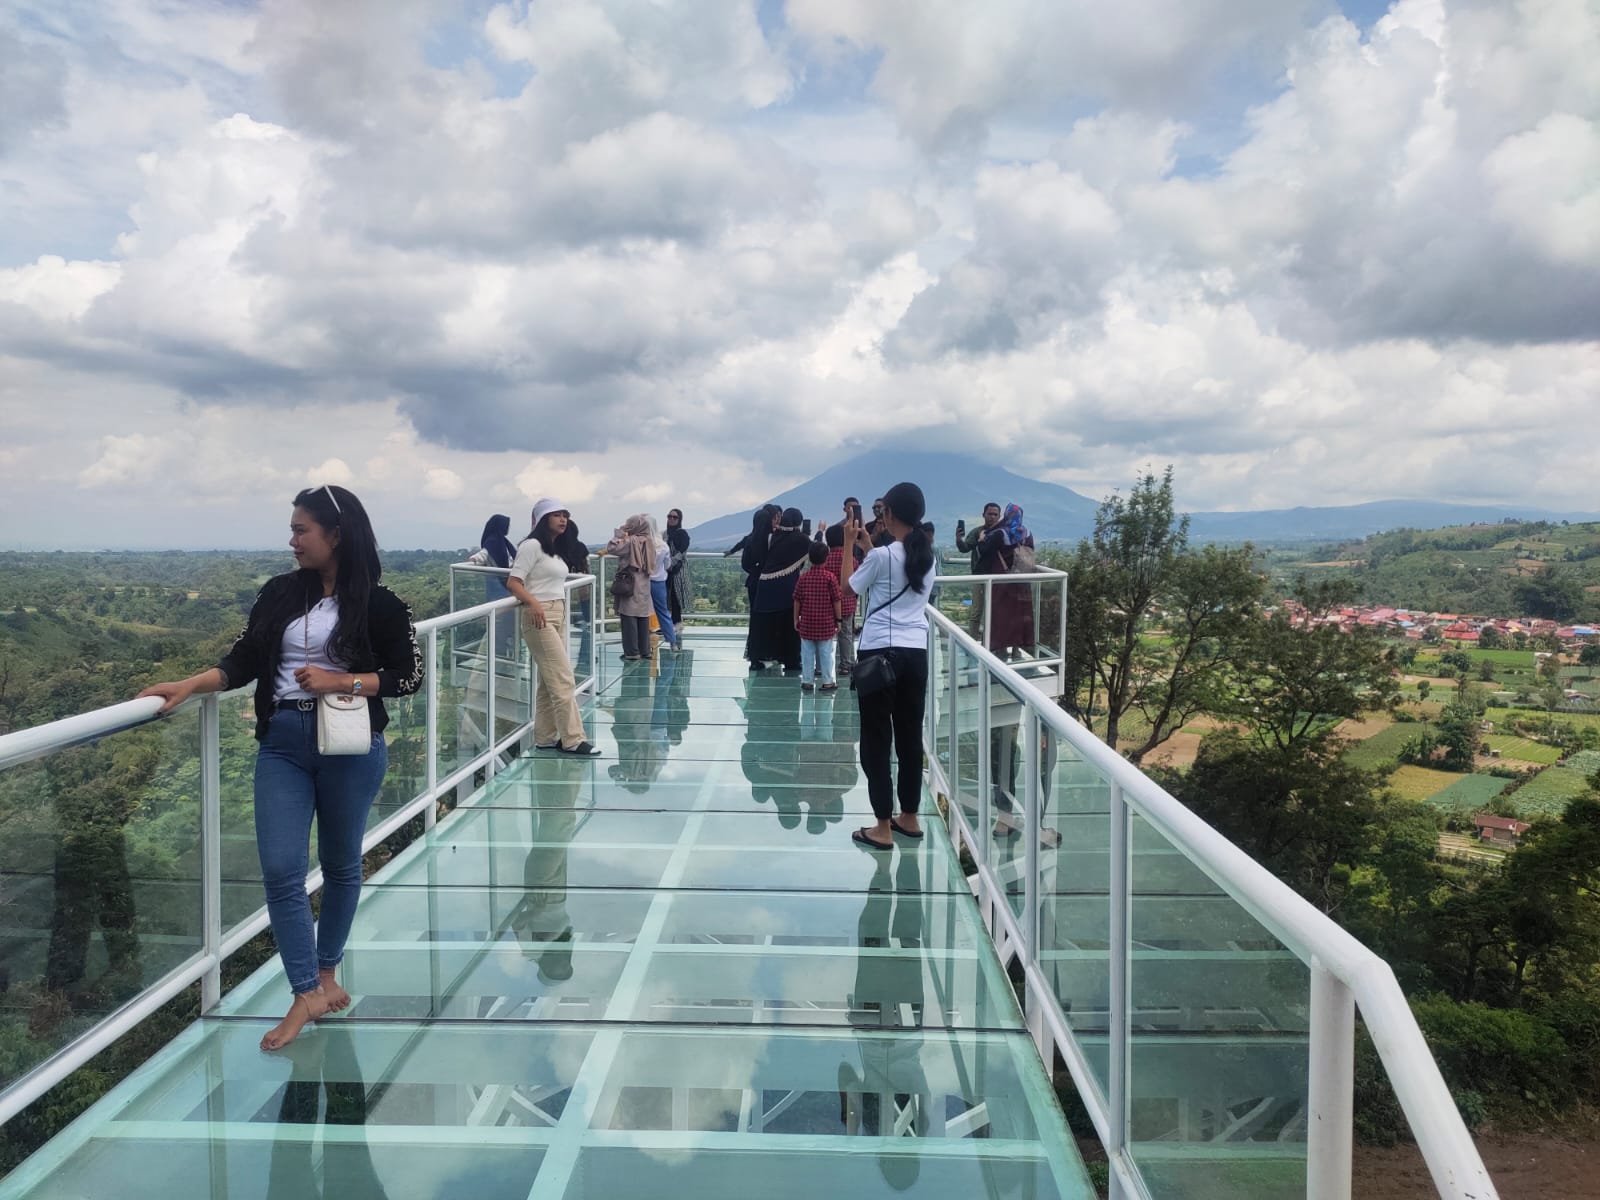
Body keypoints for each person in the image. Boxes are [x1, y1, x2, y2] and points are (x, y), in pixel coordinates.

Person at [137, 484, 423, 1050]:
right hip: (284, 744)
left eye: (301, 530)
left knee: (341, 866)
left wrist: (344, 681)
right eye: (292, 529)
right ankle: (304, 991)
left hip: (351, 741)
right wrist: (190, 686)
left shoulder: (383, 604)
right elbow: (244, 659)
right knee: (281, 870)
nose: (291, 540)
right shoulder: (277, 594)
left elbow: (408, 676)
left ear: (335, 536)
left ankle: (325, 974)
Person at [842, 482, 936, 851]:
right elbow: (895, 567)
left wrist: (850, 544)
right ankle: (909, 817)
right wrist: (871, 546)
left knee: (877, 740)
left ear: (888, 514)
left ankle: (882, 825)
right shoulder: (927, 557)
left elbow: (849, 588)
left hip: (879, 654)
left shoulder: (882, 557)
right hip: (915, 653)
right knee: (910, 737)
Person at [506, 498, 600, 757]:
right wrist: (534, 604)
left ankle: (546, 737)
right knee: (562, 676)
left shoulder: (553, 548)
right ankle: (573, 739)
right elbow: (514, 582)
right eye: (556, 515)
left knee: (548, 681)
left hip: (557, 610)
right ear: (542, 519)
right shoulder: (532, 545)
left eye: (565, 515)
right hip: (539, 615)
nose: (563, 519)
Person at [749, 507, 810, 672]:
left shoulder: (771, 536)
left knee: (763, 624)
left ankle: (758, 658)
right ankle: (791, 661)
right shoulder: (801, 539)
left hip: (765, 585)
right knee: (788, 626)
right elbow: (814, 552)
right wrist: (817, 533)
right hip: (786, 587)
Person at [975, 503, 1037, 658]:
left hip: (1002, 582)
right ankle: (1017, 650)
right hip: (1022, 582)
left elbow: (984, 551)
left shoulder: (1001, 533)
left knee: (1001, 615)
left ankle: (999, 648)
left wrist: (981, 539)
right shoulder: (1027, 534)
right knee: (1019, 616)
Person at [792, 542, 842, 692]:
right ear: (827, 558)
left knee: (807, 653)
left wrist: (796, 619)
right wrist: (838, 620)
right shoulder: (830, 578)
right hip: (825, 623)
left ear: (810, 558)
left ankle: (807, 681)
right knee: (826, 653)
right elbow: (836, 600)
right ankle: (827, 682)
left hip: (807, 623)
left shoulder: (803, 578)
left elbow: (797, 600)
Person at [605, 515, 655, 661]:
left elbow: (612, 548)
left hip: (630, 583)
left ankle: (632, 652)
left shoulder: (630, 542)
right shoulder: (649, 542)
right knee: (643, 617)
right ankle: (645, 650)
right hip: (645, 584)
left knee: (629, 617)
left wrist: (619, 533)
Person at [821, 523, 860, 678]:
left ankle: (821, 666)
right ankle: (845, 664)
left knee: (823, 637)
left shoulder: (825, 559)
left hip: (826, 604)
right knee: (846, 635)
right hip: (846, 603)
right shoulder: (850, 559)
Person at [646, 515, 680, 652]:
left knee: (641, 613)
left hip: (642, 582)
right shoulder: (663, 545)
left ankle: (643, 645)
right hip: (659, 582)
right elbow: (667, 564)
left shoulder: (641, 543)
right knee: (663, 612)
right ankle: (673, 642)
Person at [665, 508, 692, 626]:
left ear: (679, 519)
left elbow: (682, 550)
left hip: (678, 571)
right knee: (668, 598)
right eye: (669, 516)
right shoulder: (666, 534)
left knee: (676, 599)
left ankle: (677, 626)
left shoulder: (682, 533)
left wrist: (672, 562)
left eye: (674, 517)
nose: (671, 519)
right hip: (667, 570)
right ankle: (670, 626)